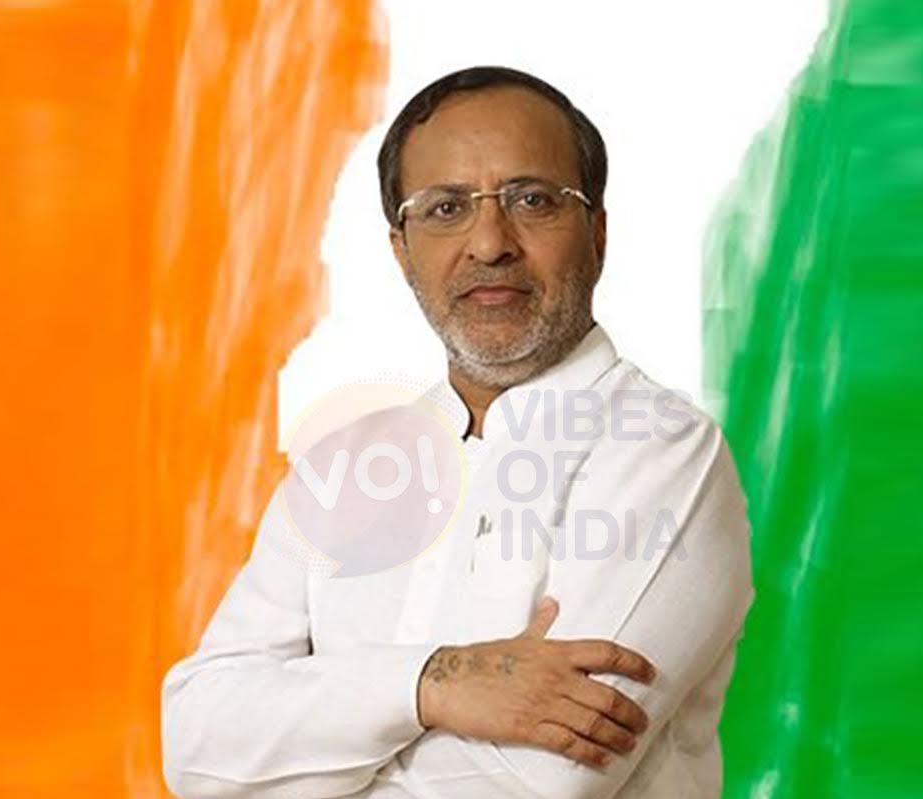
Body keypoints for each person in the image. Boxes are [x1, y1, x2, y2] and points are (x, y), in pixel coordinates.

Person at [161, 66, 755, 799]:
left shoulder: (663, 450)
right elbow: (195, 743)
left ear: (597, 234)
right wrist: (433, 683)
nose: (489, 243)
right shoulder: (342, 467)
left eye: (533, 200)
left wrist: (303, 742)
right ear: (401, 249)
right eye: (445, 208)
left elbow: (545, 782)